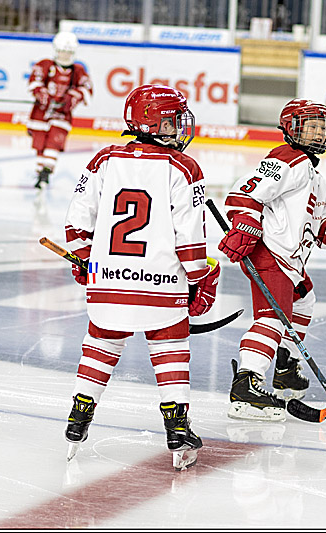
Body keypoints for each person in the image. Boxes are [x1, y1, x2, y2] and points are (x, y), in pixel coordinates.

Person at [62, 84, 219, 470]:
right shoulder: (184, 167)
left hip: (108, 279)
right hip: (162, 285)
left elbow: (76, 222)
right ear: (154, 123)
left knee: (101, 342)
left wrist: (85, 261)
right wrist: (201, 277)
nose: (179, 127)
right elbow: (190, 237)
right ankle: (177, 429)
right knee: (171, 348)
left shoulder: (103, 159)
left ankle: (78, 417)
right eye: (172, 120)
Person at [219, 99, 326, 421]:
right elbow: (244, 194)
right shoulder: (288, 158)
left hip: (290, 260)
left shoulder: (316, 178)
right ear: (291, 128)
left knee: (304, 300)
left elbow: (315, 232)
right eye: (310, 126)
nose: (318, 133)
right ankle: (246, 384)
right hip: (269, 251)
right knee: (273, 317)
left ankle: (284, 366)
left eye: (322, 127)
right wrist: (244, 226)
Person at [26, 32, 92, 189]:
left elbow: (86, 89)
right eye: (62, 51)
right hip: (41, 113)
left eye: (68, 52)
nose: (65, 55)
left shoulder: (78, 71)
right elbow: (34, 82)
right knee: (40, 142)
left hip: (62, 115)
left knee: (54, 141)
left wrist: (73, 97)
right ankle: (40, 171)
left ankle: (46, 171)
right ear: (56, 50)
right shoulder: (45, 65)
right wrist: (42, 94)